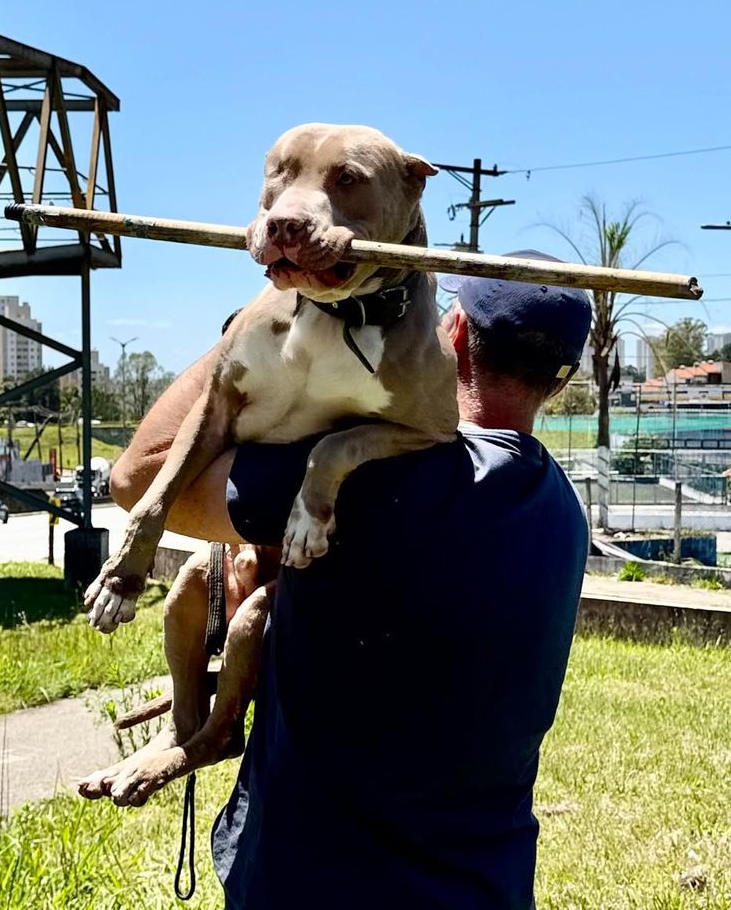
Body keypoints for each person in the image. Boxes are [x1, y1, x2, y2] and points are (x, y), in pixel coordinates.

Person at [111, 255, 592, 909]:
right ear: (560, 384)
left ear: (451, 335)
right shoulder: (561, 511)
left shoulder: (358, 474)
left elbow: (138, 477)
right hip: (483, 886)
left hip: (316, 883)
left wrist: (263, 317)